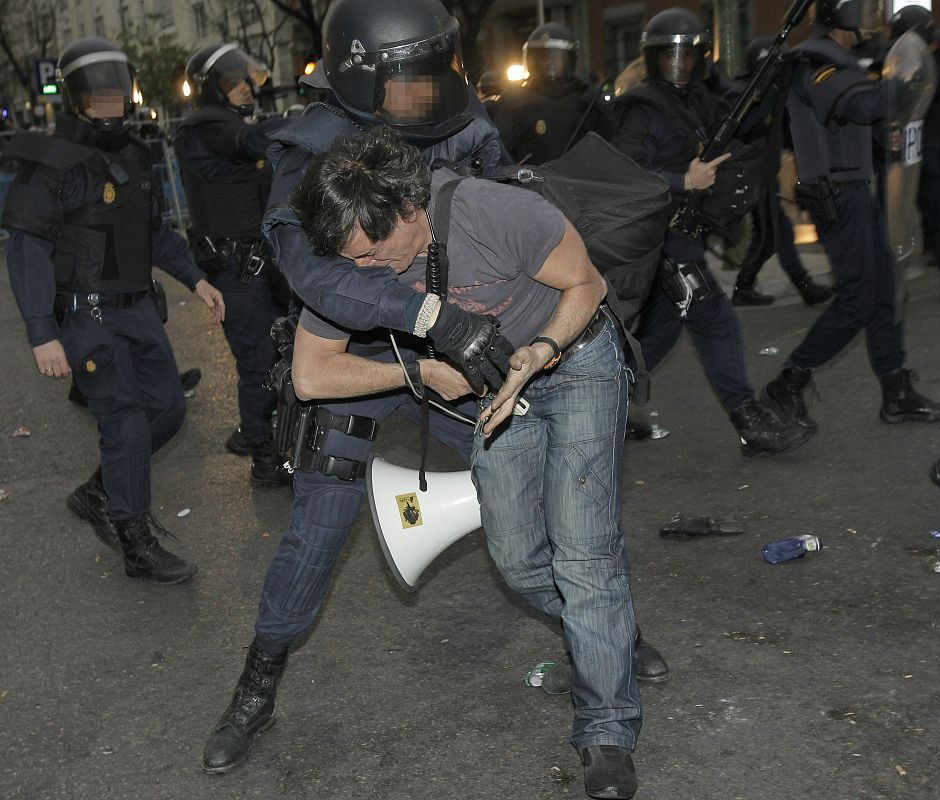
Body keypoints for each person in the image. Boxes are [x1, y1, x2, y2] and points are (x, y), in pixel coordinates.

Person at [201, 2, 666, 788]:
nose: (422, 94)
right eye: (405, 79)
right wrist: (430, 322)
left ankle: (600, 641)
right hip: (362, 361)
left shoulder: (455, 120)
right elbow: (314, 275)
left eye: (430, 74)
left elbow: (502, 213)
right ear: (360, 74)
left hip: (473, 360)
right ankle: (257, 685)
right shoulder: (309, 146)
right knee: (318, 529)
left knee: (528, 517)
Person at [296, 124, 645, 798]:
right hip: (494, 396)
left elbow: (587, 285)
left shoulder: (496, 212)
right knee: (515, 558)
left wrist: (537, 352)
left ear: (407, 210)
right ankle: (608, 629)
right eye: (350, 258)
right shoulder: (355, 261)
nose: (362, 270)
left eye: (372, 252)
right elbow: (312, 377)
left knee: (583, 553)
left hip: (574, 365)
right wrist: (420, 373)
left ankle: (606, 727)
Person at [1, 37, 225, 584]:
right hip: (84, 318)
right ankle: (135, 540)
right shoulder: (56, 165)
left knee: (167, 411)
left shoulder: (138, 156)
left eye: (115, 95)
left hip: (137, 310)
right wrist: (41, 332)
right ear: (77, 100)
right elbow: (25, 246)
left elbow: (153, 235)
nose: (108, 106)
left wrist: (195, 279)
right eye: (96, 97)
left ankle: (100, 491)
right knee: (124, 422)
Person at [610, 8, 812, 456]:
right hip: (660, 237)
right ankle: (748, 421)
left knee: (661, 331)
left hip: (687, 233)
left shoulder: (700, 98)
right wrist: (684, 180)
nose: (678, 65)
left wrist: (771, 73)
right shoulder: (640, 108)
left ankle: (600, 403)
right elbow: (624, 176)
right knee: (714, 317)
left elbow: (744, 119)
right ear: (651, 57)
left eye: (687, 55)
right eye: (668, 56)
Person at [762, 0, 940, 430]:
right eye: (863, 11)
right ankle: (789, 382)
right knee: (857, 301)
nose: (872, 20)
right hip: (838, 198)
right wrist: (903, 81)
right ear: (840, 15)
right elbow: (861, 106)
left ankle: (896, 392)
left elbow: (859, 123)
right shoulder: (816, 63)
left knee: (887, 291)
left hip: (856, 192)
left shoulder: (844, 62)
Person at [175, 43, 293, 487]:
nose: (246, 88)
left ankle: (272, 431)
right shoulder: (205, 130)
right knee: (258, 361)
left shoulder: (231, 125)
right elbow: (248, 141)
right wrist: (314, 118)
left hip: (267, 260)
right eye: (234, 82)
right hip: (235, 268)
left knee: (290, 346)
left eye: (247, 80)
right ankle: (263, 455)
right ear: (212, 90)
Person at [729, 36, 834, 308]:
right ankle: (762, 285)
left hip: (766, 174)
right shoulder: (747, 95)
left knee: (775, 233)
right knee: (772, 234)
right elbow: (744, 127)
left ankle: (759, 285)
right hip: (755, 176)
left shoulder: (772, 94)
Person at [888, 6, 940, 304]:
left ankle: (896, 284)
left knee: (893, 219)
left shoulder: (901, 70)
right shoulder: (938, 69)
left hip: (908, 152)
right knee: (939, 219)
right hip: (931, 149)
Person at [492, 22, 609, 164]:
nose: (549, 62)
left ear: (570, 59)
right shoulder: (514, 102)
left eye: (556, 57)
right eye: (542, 57)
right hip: (530, 184)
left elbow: (610, 153)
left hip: (581, 182)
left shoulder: (588, 100)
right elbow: (497, 153)